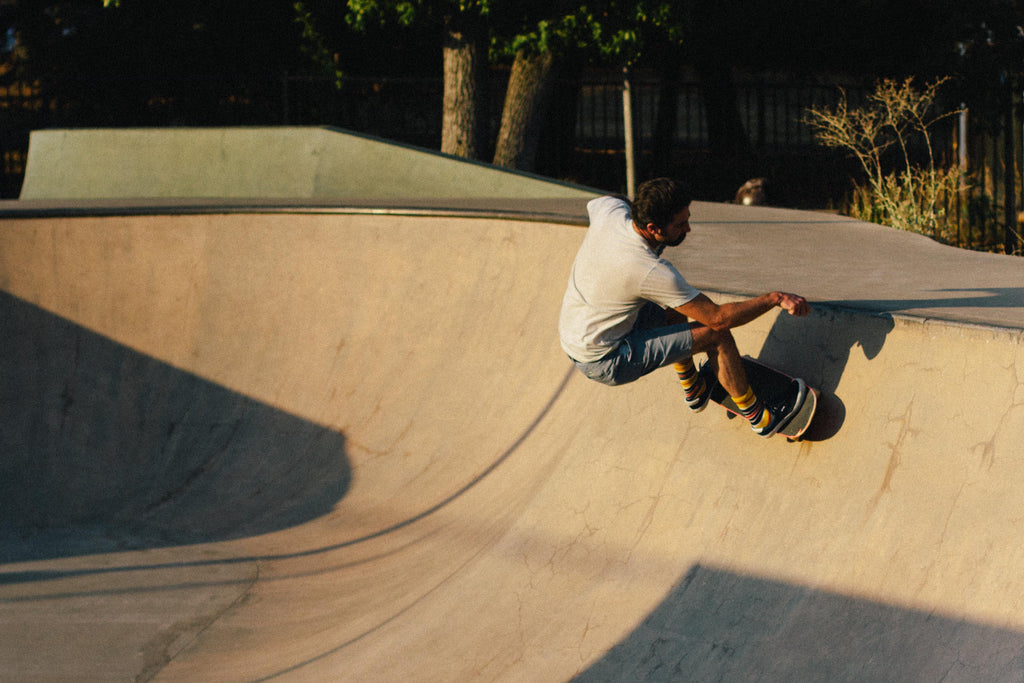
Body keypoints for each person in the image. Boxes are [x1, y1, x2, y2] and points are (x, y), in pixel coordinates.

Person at [558, 177, 810, 437]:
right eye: (680, 225)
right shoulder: (648, 270)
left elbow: (606, 199)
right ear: (653, 227)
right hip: (607, 357)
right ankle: (759, 417)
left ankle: (693, 387)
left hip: (578, 330)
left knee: (679, 303)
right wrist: (775, 298)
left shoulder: (610, 213)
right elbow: (719, 318)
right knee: (717, 335)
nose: (688, 229)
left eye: (687, 219)